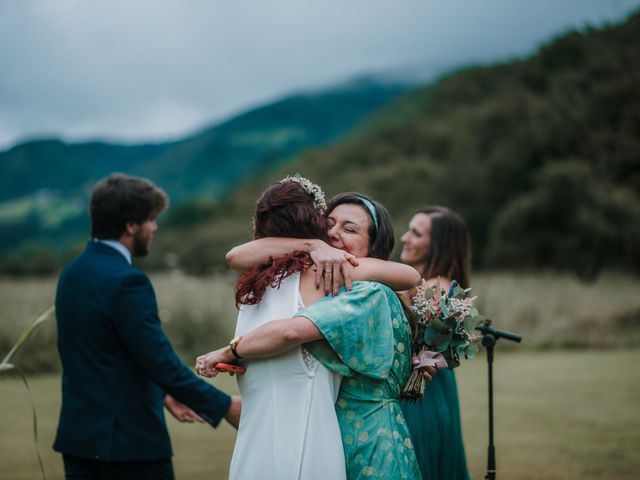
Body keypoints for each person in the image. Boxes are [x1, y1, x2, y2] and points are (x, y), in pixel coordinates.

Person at [198, 192, 431, 480]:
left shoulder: (365, 289)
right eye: (329, 224)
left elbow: (291, 330)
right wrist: (313, 245)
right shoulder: (332, 278)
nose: (333, 233)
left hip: (366, 441)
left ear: (374, 244)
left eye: (349, 229)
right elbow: (236, 256)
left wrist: (230, 351)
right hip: (334, 432)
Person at [53, 173, 240, 480]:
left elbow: (109, 354)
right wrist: (224, 405)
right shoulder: (128, 282)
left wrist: (163, 394)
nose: (154, 227)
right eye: (151, 219)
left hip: (79, 442)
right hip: (129, 446)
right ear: (131, 224)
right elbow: (161, 362)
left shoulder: (71, 274)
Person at [398, 206, 472, 480]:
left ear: (438, 244)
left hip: (419, 392)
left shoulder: (431, 289)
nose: (405, 237)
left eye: (416, 234)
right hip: (435, 390)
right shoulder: (447, 286)